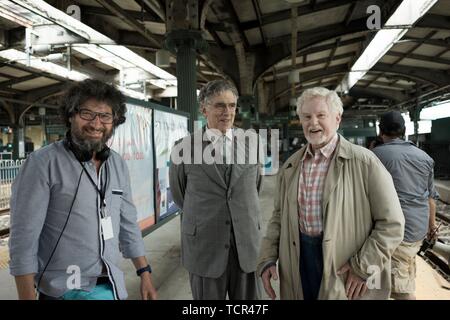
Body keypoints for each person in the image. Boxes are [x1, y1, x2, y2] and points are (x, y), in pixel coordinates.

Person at [9, 79, 157, 300]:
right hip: (63, 290)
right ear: (71, 115)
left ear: (114, 122)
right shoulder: (42, 163)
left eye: (105, 116)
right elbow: (24, 238)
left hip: (111, 285)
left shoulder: (116, 164)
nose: (96, 124)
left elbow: (128, 223)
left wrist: (144, 273)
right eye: (87, 113)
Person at [257, 87, 405, 300]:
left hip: (345, 264)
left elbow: (392, 223)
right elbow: (279, 217)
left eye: (321, 115)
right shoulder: (291, 166)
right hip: (299, 259)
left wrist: (362, 266)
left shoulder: (365, 162)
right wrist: (268, 257)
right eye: (306, 117)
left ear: (337, 119)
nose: (313, 123)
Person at [169, 80, 263, 300]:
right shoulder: (183, 148)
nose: (227, 112)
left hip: (246, 244)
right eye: (220, 105)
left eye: (232, 106)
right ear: (204, 109)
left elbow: (256, 187)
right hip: (205, 246)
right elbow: (179, 194)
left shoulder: (253, 143)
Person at [372, 110, 439, 300]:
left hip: (392, 231)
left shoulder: (374, 156)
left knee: (399, 288)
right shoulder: (425, 157)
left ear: (380, 130)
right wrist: (431, 227)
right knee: (403, 273)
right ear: (404, 130)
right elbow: (430, 197)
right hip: (416, 231)